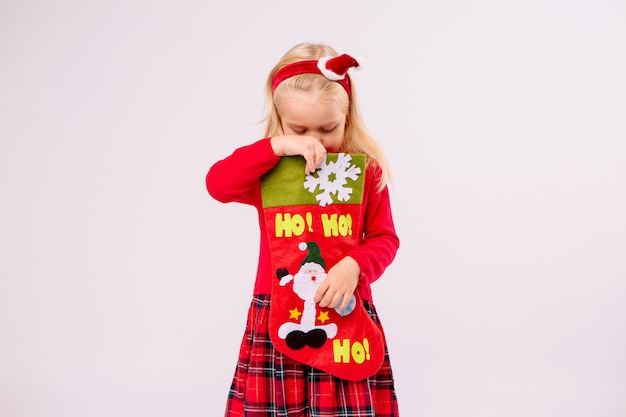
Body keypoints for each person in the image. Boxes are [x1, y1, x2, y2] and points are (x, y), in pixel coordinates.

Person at [206, 42, 400, 417]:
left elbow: (385, 238)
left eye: (328, 129)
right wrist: (273, 148)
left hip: (344, 315)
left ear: (347, 117)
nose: (315, 140)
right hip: (278, 314)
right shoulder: (270, 171)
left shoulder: (365, 172)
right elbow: (219, 184)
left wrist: (354, 266)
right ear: (281, 123)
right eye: (299, 129)